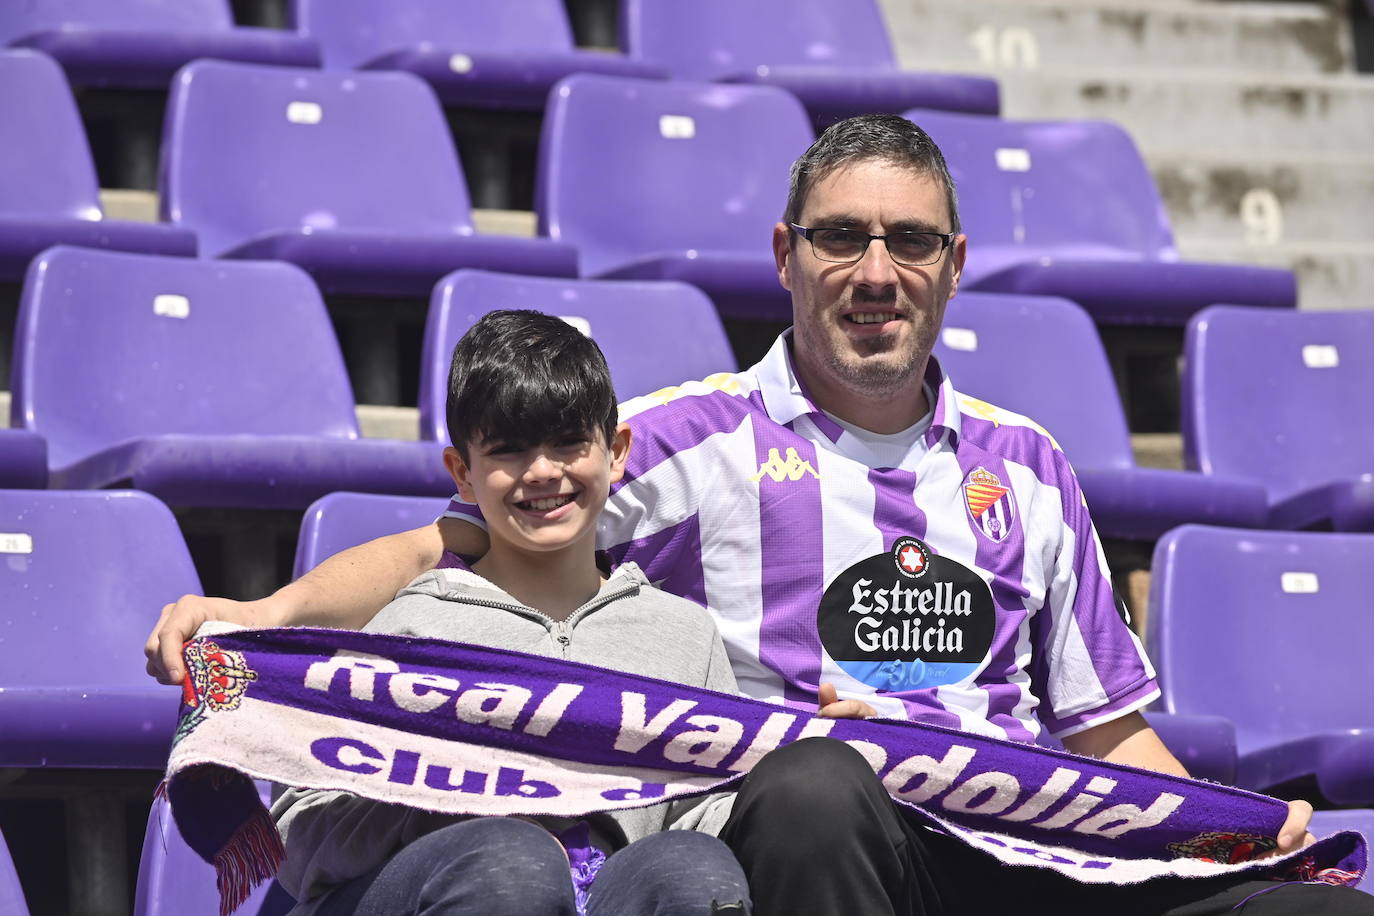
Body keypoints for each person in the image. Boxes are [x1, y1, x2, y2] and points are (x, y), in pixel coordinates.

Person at [149, 116, 1363, 915]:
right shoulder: (694, 437)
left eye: (909, 241)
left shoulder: (1029, 463)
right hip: (845, 840)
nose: (875, 270)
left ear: (953, 265)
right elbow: (462, 538)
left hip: (1029, 841)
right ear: (787, 255)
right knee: (820, 780)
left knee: (1317, 903)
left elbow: (1107, 742)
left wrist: (1238, 828)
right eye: (842, 237)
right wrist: (264, 613)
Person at [270, 310, 751, 915]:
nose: (544, 470)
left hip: (612, 892)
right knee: (508, 860)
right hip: (442, 884)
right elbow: (297, 831)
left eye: (570, 442)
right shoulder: (411, 629)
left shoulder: (683, 635)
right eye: (508, 450)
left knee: (695, 867)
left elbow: (714, 813)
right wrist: (440, 802)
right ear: (462, 475)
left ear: (618, 451)